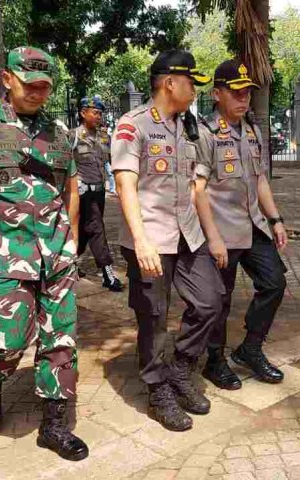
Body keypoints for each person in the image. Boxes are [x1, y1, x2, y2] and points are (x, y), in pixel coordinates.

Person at [0, 47, 88, 461]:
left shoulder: (61, 134)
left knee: (60, 340)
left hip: (57, 256)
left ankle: (54, 426)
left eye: (45, 87)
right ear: (7, 79)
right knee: (7, 342)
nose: (38, 93)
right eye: (30, 85)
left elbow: (71, 192)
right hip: (4, 257)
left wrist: (72, 242)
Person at [112, 50, 226, 432]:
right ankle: (158, 388)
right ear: (170, 83)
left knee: (210, 301)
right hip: (151, 237)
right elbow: (125, 185)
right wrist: (141, 240)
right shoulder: (134, 125)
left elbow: (196, 188)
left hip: (188, 235)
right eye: (192, 82)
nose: (196, 90)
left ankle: (181, 368)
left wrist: (213, 238)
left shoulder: (189, 127)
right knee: (154, 318)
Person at [198, 59, 288, 390]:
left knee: (274, 283)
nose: (243, 99)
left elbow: (260, 179)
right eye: (236, 93)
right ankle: (215, 361)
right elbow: (198, 192)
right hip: (221, 231)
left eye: (247, 93)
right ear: (217, 93)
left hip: (254, 226)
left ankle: (250, 348)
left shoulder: (251, 131)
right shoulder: (204, 134)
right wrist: (211, 237)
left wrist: (275, 219)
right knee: (219, 300)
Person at [72, 95, 123, 291]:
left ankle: (71, 262)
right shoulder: (73, 136)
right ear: (83, 113)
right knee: (97, 228)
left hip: (99, 192)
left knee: (87, 230)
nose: (99, 116)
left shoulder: (104, 137)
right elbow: (64, 164)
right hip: (81, 193)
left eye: (101, 113)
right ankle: (107, 273)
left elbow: (114, 160)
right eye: (95, 113)